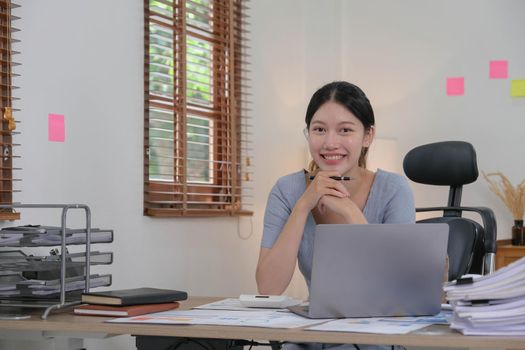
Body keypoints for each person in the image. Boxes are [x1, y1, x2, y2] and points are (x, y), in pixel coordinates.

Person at [256, 81, 415, 350]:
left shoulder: (393, 190)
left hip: (376, 334)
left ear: (368, 136)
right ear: (308, 134)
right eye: (319, 129)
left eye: (345, 130)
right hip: (313, 335)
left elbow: (395, 290)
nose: (330, 143)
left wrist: (350, 210)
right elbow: (268, 288)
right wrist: (303, 205)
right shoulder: (287, 190)